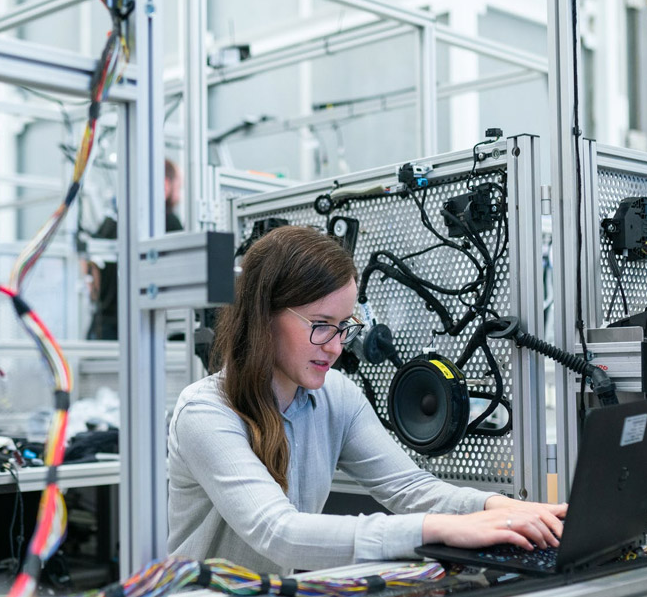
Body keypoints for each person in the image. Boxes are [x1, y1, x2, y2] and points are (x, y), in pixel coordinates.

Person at [167, 226, 566, 574]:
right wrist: (439, 529)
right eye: (321, 325)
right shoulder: (206, 412)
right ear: (264, 317)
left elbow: (410, 488)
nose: (336, 347)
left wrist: (500, 508)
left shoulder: (336, 396)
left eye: (344, 326)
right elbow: (279, 533)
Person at [85, 159, 183, 340]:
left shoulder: (112, 221)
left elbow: (90, 267)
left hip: (104, 327)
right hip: (144, 327)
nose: (180, 195)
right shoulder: (168, 221)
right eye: (179, 187)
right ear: (165, 185)